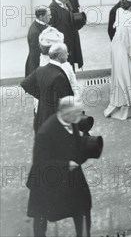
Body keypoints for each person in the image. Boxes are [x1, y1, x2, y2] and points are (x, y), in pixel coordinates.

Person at [26, 97, 101, 237]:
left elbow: (73, 142)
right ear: (66, 113)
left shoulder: (70, 120)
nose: (81, 116)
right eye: (78, 113)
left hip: (69, 177)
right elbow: (40, 163)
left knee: (83, 207)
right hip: (46, 182)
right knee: (41, 215)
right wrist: (66, 165)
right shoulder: (45, 132)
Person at [21, 43, 74, 132]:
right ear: (59, 55)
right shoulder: (59, 76)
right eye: (66, 52)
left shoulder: (40, 69)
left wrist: (42, 96)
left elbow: (25, 84)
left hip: (42, 115)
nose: (68, 54)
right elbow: (66, 99)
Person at [49, 0, 83, 69]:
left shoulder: (67, 3)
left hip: (71, 41)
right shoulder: (52, 9)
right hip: (63, 45)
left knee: (71, 66)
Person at [25, 7, 51, 76]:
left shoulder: (40, 24)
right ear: (41, 17)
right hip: (37, 67)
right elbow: (37, 55)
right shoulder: (35, 32)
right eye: (48, 15)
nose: (50, 17)